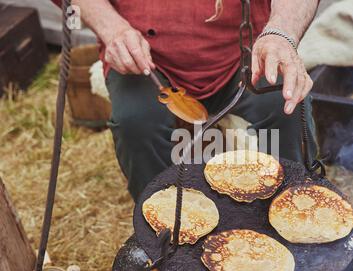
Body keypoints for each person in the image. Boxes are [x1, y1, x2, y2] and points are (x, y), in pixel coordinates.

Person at [53, 0, 320, 201]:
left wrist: (281, 32)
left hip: (247, 47)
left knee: (285, 104)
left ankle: (291, 208)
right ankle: (162, 230)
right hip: (144, 52)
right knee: (136, 122)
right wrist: (111, 28)